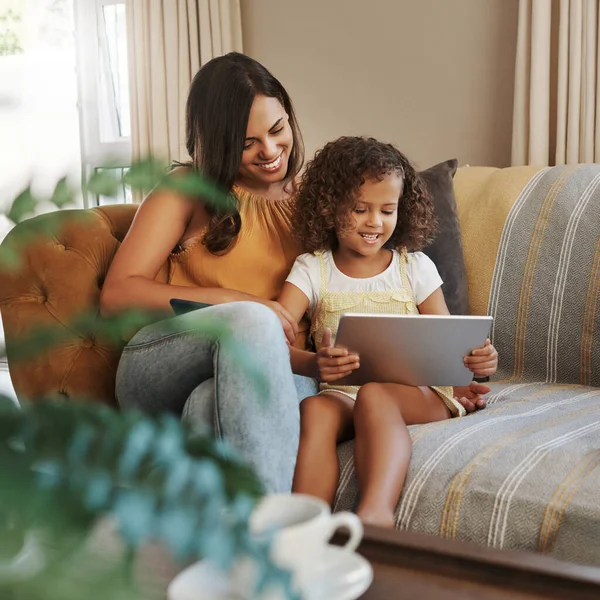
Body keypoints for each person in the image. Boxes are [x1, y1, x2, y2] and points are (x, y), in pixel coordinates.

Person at [99, 52, 317, 493]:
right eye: (246, 142)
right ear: (216, 141)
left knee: (205, 409)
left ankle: (227, 546)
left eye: (277, 130)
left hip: (273, 370)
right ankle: (268, 544)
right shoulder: (187, 189)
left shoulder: (314, 197)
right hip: (163, 359)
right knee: (251, 323)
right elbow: (116, 296)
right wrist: (238, 301)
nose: (271, 152)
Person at [278, 136, 498, 526]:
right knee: (314, 409)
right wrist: (315, 364)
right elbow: (274, 340)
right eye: (359, 208)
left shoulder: (413, 267)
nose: (374, 222)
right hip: (342, 396)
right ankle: (304, 527)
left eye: (387, 210)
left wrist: (479, 360)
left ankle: (376, 516)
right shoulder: (312, 269)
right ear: (330, 208)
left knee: (377, 395)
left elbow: (451, 343)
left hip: (415, 395)